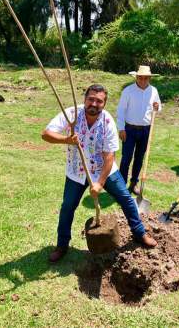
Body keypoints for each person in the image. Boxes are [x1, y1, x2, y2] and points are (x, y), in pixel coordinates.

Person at [42, 84, 157, 263]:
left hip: (104, 170)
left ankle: (140, 233)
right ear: (85, 99)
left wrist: (99, 183)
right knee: (67, 207)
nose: (94, 104)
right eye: (91, 99)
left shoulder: (108, 122)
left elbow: (109, 156)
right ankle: (62, 245)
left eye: (99, 101)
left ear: (104, 103)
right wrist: (67, 140)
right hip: (76, 171)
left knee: (126, 198)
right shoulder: (72, 114)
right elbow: (46, 134)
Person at [116, 66, 162, 195]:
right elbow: (121, 110)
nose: (143, 80)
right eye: (140, 77)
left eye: (146, 78)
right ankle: (121, 185)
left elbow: (158, 108)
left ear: (149, 78)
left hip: (146, 130)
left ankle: (134, 183)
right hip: (129, 129)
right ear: (136, 77)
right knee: (126, 157)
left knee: (140, 158)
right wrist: (121, 128)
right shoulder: (128, 91)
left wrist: (157, 107)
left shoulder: (153, 91)